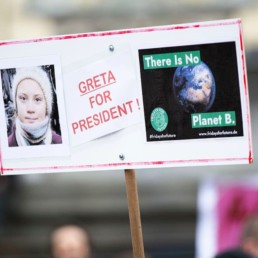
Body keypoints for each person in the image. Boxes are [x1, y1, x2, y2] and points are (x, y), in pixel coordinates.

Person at [8, 66, 62, 146]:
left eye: (37, 100)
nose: (30, 109)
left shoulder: (61, 143)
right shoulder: (5, 148)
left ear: (46, 106)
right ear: (16, 103)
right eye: (23, 98)